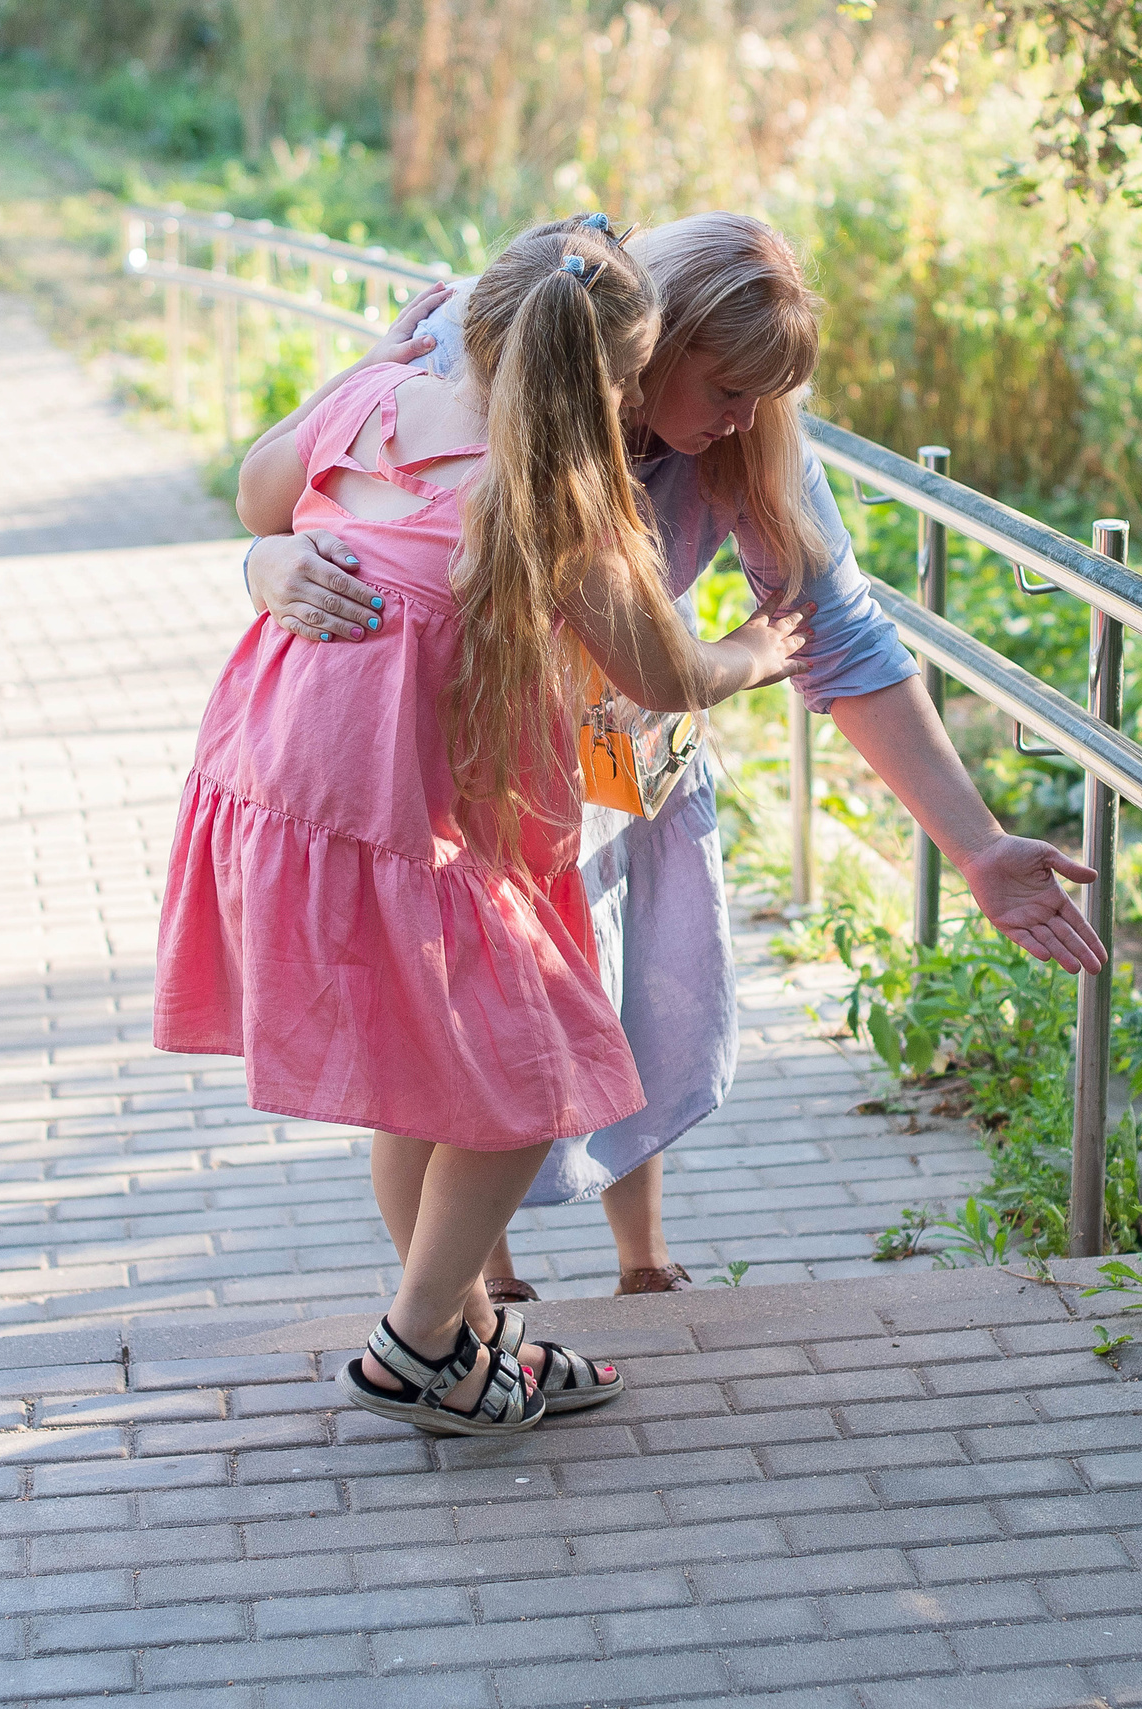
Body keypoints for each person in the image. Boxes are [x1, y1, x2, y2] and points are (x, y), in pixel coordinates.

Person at [241, 212, 1105, 1299]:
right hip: (465, 769)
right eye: (728, 388)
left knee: (621, 990)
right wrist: (269, 560)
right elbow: (318, 490)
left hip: (612, 761)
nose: (749, 417)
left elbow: (837, 630)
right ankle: (470, 1300)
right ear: (647, 355)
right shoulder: (515, 331)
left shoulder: (746, 434)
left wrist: (974, 844)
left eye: (767, 396)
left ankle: (613, 1267)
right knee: (466, 1026)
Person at [162, 217, 812, 1435]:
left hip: (285, 781)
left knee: (423, 1090)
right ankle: (415, 1345)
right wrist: (753, 651)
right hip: (407, 810)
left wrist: (370, 363)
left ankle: (464, 1339)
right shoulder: (557, 498)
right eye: (629, 381)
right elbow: (662, 674)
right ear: (603, 379)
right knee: (537, 1067)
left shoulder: (373, 400)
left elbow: (260, 496)